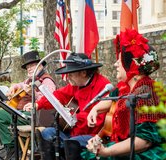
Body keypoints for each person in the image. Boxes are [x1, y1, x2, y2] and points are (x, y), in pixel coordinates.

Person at [84, 29, 166, 160]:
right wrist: (95, 109)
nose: (116, 64)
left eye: (119, 60)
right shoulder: (127, 87)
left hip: (147, 152)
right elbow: (113, 99)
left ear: (131, 66)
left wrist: (107, 151)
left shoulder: (146, 92)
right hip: (129, 145)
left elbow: (144, 141)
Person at [23, 53, 111, 160]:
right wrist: (38, 104)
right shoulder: (76, 84)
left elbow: (98, 120)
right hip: (75, 132)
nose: (68, 77)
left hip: (94, 135)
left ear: (83, 73)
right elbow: (58, 95)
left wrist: (73, 117)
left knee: (70, 143)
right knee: (47, 133)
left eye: (71, 74)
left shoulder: (103, 85)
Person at [0, 50, 56, 158]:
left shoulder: (47, 81)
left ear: (40, 65)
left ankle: (14, 149)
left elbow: (50, 100)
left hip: (37, 116)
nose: (29, 68)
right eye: (27, 67)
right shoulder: (29, 81)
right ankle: (15, 148)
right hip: (25, 114)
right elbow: (20, 84)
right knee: (1, 113)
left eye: (32, 65)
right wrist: (14, 86)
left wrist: (33, 94)